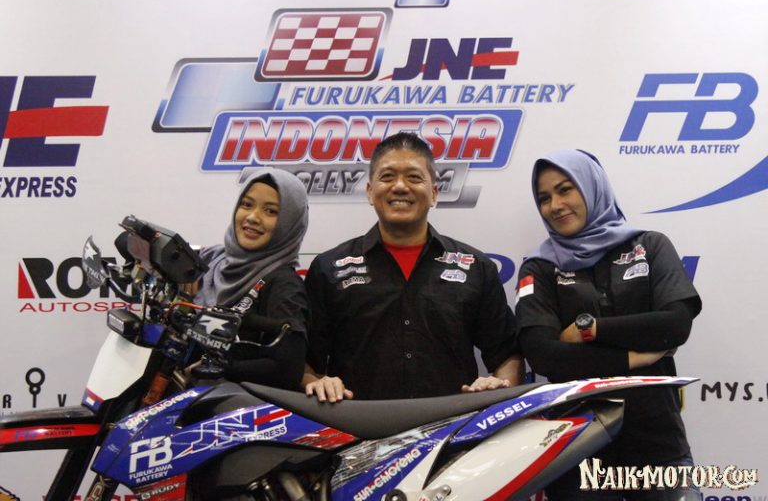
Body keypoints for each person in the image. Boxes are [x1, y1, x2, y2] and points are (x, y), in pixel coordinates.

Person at [515, 149, 702, 500]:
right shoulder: (539, 268)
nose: (555, 205)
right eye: (544, 198)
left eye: (565, 189)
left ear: (592, 187)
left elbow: (676, 325)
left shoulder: (650, 245)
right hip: (575, 455)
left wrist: (589, 330)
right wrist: (632, 359)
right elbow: (544, 355)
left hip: (658, 447)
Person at [302, 132, 523, 402]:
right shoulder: (328, 269)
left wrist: (500, 388)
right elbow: (305, 362)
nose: (399, 186)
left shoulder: (476, 268)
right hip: (355, 425)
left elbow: (507, 355)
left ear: (433, 194)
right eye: (387, 176)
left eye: (414, 177)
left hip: (455, 423)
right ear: (370, 192)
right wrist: (317, 383)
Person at [193, 168, 309, 391]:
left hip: (235, 407)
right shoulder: (213, 260)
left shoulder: (284, 285)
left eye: (271, 211)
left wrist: (221, 366)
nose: (253, 217)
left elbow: (288, 369)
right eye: (247, 205)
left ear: (289, 222)